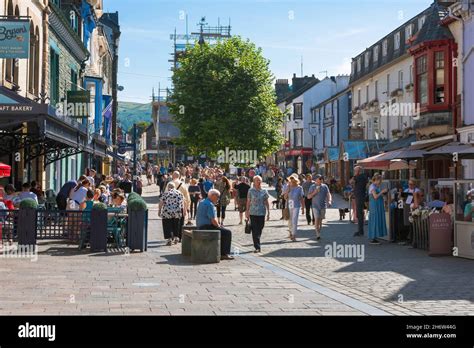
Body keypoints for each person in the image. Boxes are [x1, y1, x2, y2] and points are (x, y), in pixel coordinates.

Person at [195, 189, 234, 260]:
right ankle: (224, 254)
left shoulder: (202, 201)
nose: (218, 198)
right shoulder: (209, 204)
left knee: (222, 230)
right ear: (212, 196)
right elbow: (213, 220)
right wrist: (219, 225)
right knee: (227, 233)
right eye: (217, 196)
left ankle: (221, 251)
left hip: (200, 225)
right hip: (206, 227)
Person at [246, 175, 270, 253]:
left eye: (259, 180)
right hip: (253, 212)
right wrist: (247, 212)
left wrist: (269, 212)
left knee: (260, 227)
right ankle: (257, 246)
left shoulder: (264, 191)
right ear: (254, 182)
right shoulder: (250, 191)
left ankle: (257, 239)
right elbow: (248, 202)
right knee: (255, 230)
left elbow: (266, 202)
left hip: (261, 212)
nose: (258, 182)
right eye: (257, 180)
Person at [307, 174, 332, 241]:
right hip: (315, 206)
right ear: (315, 180)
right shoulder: (312, 186)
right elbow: (308, 197)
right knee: (317, 219)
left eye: (321, 179)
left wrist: (329, 201)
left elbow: (328, 194)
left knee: (320, 220)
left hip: (323, 206)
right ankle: (317, 234)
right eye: (318, 179)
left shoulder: (325, 186)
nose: (320, 180)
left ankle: (318, 231)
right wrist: (315, 192)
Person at [367, 173, 388, 244]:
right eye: (380, 180)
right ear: (376, 180)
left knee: (377, 219)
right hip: (374, 205)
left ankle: (375, 237)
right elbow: (375, 197)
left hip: (377, 205)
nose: (380, 182)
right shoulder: (372, 186)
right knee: (374, 220)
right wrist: (382, 191)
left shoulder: (375, 186)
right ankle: (373, 238)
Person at [285, 175, 304, 242]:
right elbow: (285, 197)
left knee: (294, 220)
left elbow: (301, 198)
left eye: (293, 180)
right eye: (291, 180)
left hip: (297, 205)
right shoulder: (288, 187)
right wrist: (288, 190)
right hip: (290, 204)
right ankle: (290, 231)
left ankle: (294, 235)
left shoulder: (300, 188)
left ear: (296, 180)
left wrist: (303, 208)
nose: (292, 181)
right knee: (290, 220)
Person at [352, 166, 368, 237]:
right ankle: (360, 230)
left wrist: (355, 175)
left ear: (358, 171)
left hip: (359, 197)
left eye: (355, 171)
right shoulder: (364, 177)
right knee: (360, 213)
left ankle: (360, 231)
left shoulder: (358, 177)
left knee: (359, 214)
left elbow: (350, 181)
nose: (354, 172)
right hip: (361, 196)